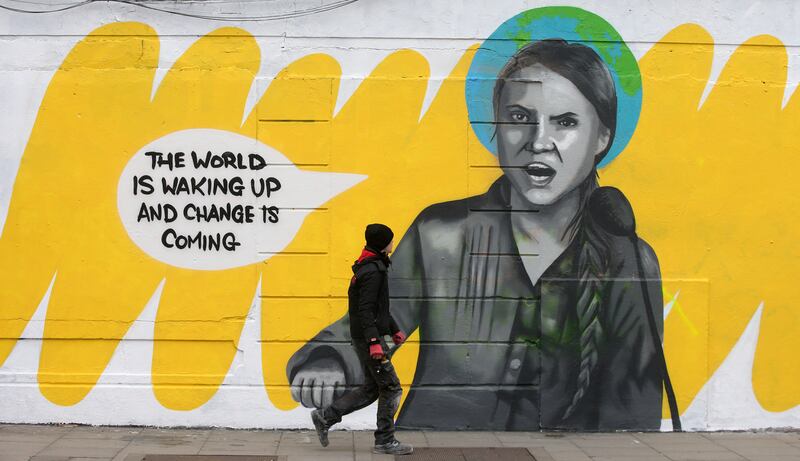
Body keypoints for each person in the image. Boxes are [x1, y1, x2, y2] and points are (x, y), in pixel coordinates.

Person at [288, 39, 664, 431]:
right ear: (496, 128)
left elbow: (632, 411)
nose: (538, 142)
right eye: (519, 117)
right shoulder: (441, 234)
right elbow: (382, 321)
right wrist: (330, 359)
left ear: (602, 137)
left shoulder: (629, 260)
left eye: (565, 122)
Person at [303, 223, 413, 455]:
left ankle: (325, 417)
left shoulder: (371, 266)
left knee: (372, 388)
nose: (393, 243)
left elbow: (378, 307)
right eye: (390, 240)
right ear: (383, 244)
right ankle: (384, 441)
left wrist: (393, 329)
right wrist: (374, 342)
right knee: (391, 388)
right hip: (368, 340)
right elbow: (365, 309)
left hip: (366, 337)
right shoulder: (373, 271)